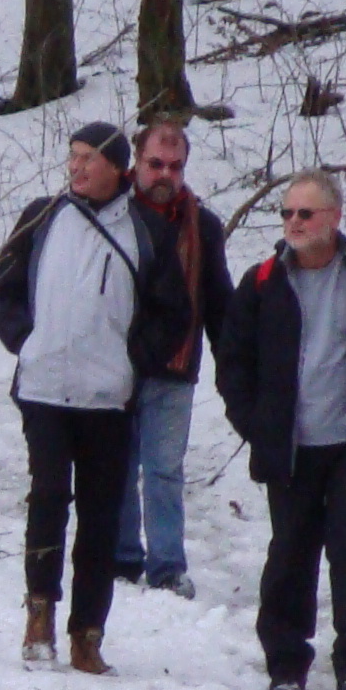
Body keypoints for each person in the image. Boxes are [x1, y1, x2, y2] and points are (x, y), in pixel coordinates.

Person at [212, 170, 346, 690]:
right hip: (291, 447)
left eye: (305, 213)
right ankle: (286, 662)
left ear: (334, 217)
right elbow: (233, 360)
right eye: (287, 213)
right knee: (290, 553)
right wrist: (256, 424)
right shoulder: (263, 283)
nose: (294, 223)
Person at [0, 122, 169, 673]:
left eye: (89, 158)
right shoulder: (42, 217)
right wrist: (29, 342)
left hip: (107, 399)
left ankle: (88, 634)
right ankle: (38, 615)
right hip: (43, 390)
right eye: (73, 156)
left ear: (117, 168)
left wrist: (132, 362)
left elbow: (170, 315)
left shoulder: (146, 231)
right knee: (47, 500)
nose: (77, 167)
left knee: (100, 517)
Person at [113, 120, 233, 598]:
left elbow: (218, 301)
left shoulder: (203, 227)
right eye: (155, 164)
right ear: (136, 162)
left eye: (175, 166)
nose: (165, 174)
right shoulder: (111, 215)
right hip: (114, 363)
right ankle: (121, 558)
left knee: (164, 470)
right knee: (118, 466)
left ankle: (166, 567)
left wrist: (234, 364)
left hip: (174, 368)